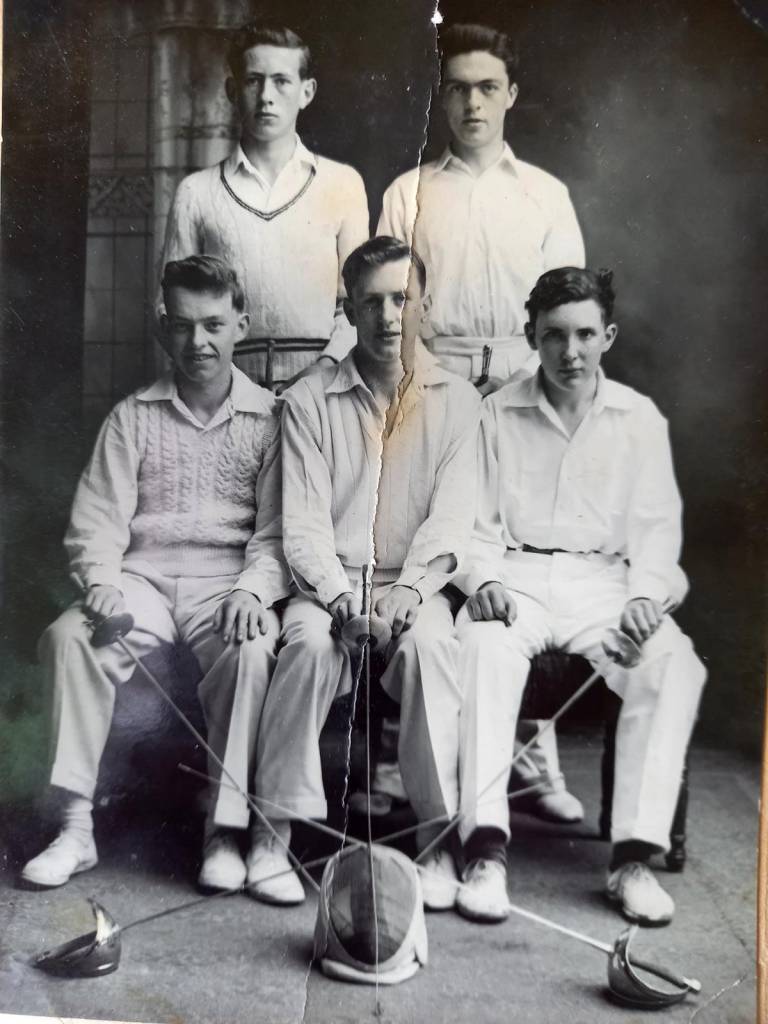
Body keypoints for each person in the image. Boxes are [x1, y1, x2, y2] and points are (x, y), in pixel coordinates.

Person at [20, 256, 290, 892]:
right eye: (184, 326)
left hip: (227, 582)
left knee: (251, 648)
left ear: (240, 326)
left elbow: (281, 530)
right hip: (141, 580)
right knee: (69, 638)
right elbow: (97, 524)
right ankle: (75, 826)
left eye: (214, 325)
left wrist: (255, 589)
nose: (199, 342)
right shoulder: (131, 417)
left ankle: (223, 832)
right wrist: (103, 583)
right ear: (162, 329)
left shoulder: (272, 418)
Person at [453, 267, 706, 925]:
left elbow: (656, 529)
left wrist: (646, 598)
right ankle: (485, 851)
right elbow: (473, 524)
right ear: (530, 337)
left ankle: (631, 861)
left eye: (585, 335)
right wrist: (481, 582)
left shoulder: (638, 418)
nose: (571, 352)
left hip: (606, 584)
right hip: (518, 576)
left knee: (673, 662)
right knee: (480, 647)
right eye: (555, 336)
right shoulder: (495, 413)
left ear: (608, 336)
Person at [379, 21, 585, 822]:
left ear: (512, 96)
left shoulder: (545, 194)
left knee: (517, 562)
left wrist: (526, 375)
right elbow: (387, 302)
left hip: (522, 389)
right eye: (457, 86)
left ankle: (532, 757)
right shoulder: (407, 191)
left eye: (486, 87)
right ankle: (407, 757)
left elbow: (568, 305)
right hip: (430, 387)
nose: (470, 102)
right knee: (425, 560)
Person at [244, 237, 480, 910]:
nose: (388, 317)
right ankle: (272, 836)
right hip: (331, 583)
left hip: (415, 582)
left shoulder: (458, 403)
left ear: (423, 305)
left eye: (402, 299)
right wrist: (344, 602)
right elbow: (304, 527)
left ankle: (437, 841)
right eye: (371, 302)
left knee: (433, 648)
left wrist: (408, 592)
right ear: (347, 309)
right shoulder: (308, 401)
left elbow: (452, 518)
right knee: (308, 646)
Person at [159, 21, 369, 389]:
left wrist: (324, 369)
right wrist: (219, 379)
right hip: (222, 391)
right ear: (231, 90)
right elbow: (166, 309)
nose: (266, 95)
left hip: (323, 387)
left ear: (307, 91)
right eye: (253, 80)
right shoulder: (196, 192)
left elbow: (359, 303)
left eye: (281, 81)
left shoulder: (343, 184)